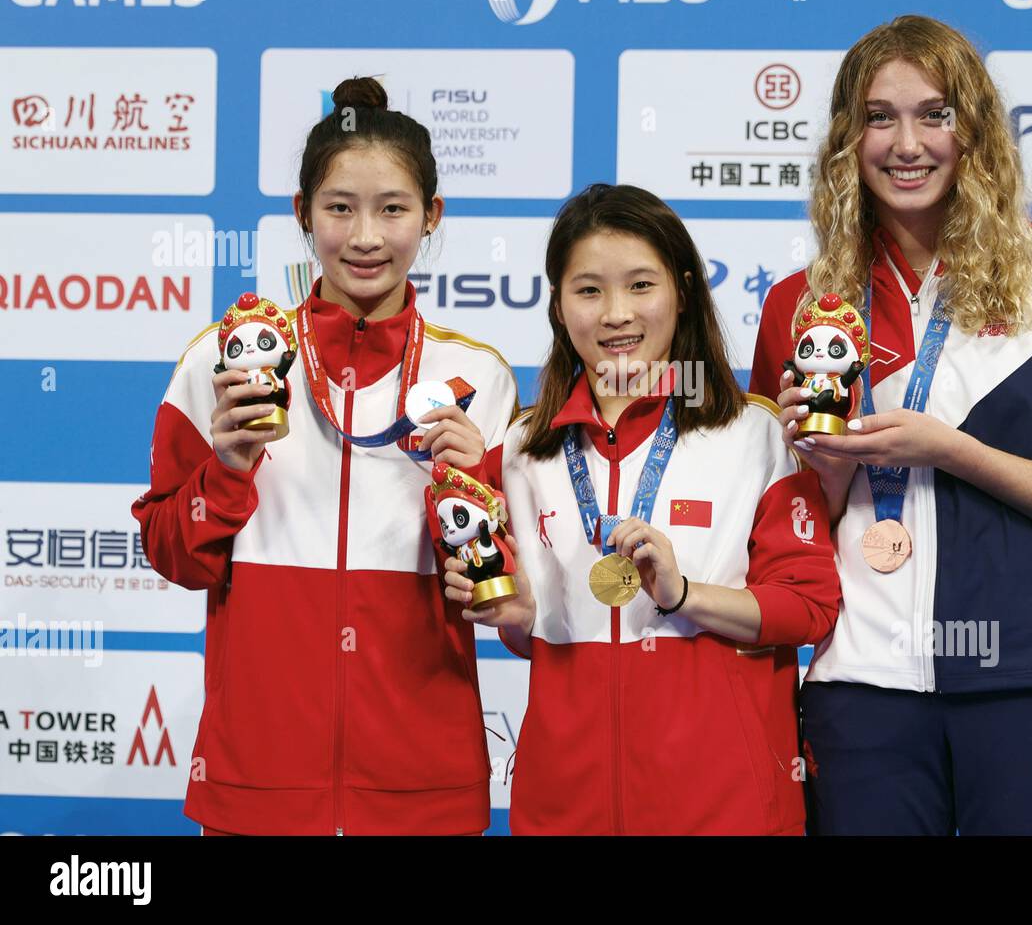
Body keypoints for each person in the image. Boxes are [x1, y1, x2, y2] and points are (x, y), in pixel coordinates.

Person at [749, 16, 1032, 835]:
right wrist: (828, 471)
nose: (907, 143)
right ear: (845, 138)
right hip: (862, 697)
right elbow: (787, 545)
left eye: (934, 114)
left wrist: (956, 454)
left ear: (972, 129)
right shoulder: (801, 304)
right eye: (878, 117)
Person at [132, 76, 518, 835]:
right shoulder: (225, 360)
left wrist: (475, 497)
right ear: (301, 213)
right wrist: (228, 471)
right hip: (258, 780)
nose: (366, 236)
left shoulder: (482, 379)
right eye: (340, 207)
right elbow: (174, 556)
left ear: (431, 216)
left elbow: (505, 594)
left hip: (422, 784)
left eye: (394, 209)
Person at [440, 183, 841, 834]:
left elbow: (810, 606)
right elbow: (530, 625)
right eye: (589, 290)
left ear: (682, 290)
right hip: (562, 807)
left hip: (726, 809)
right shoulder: (520, 448)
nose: (616, 314)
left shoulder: (754, 433)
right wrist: (512, 617)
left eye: (640, 285)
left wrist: (683, 594)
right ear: (558, 305)